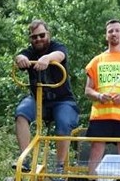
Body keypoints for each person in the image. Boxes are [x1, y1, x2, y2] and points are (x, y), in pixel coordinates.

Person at [13, 20, 80, 172]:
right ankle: (25, 158)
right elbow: (21, 56)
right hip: (38, 100)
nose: (38, 39)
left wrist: (47, 58)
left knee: (64, 122)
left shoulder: (56, 47)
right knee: (21, 114)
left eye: (42, 35)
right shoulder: (31, 52)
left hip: (62, 100)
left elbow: (60, 54)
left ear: (48, 34)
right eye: (34, 37)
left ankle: (59, 166)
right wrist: (20, 59)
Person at [82, 19, 120, 174]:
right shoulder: (96, 61)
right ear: (106, 36)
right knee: (96, 148)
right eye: (110, 31)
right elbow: (88, 90)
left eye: (117, 30)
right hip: (101, 115)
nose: (114, 34)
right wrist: (99, 95)